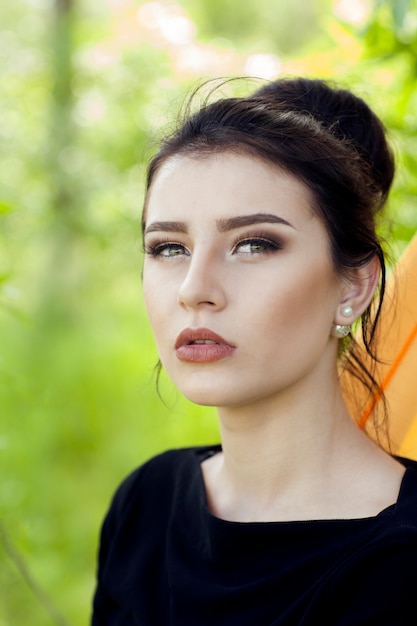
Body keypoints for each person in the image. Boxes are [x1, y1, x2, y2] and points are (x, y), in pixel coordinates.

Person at [91, 77, 417, 625]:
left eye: (253, 244)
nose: (194, 288)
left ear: (354, 286)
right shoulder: (147, 501)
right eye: (168, 247)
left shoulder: (401, 564)